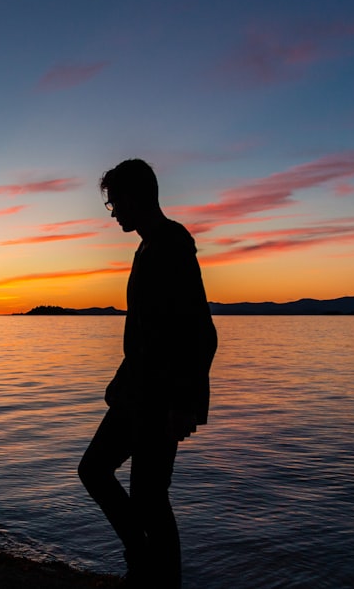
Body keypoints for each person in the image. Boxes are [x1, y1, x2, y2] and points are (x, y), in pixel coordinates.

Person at [78, 159, 217, 588]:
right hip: (138, 391)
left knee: (150, 498)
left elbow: (199, 330)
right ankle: (141, 560)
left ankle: (157, 576)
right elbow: (147, 331)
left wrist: (183, 402)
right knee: (98, 472)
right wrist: (123, 381)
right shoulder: (148, 245)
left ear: (136, 197)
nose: (113, 211)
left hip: (161, 396)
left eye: (115, 201)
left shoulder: (172, 243)